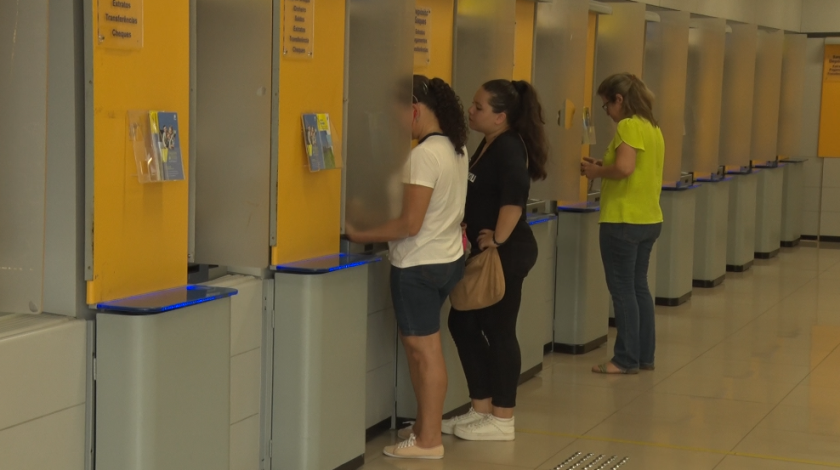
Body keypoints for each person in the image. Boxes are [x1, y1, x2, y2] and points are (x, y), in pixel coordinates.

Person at [346, 75, 469, 459]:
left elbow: (409, 224)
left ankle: (429, 440)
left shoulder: (423, 156)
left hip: (418, 263)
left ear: (415, 110)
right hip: (446, 258)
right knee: (423, 349)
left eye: (398, 113)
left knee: (423, 351)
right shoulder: (455, 148)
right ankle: (423, 426)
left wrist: (360, 233)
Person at [443, 79, 548, 441]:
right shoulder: (488, 143)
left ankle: (502, 418)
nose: (471, 111)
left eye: (479, 107)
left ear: (501, 117)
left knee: (499, 330)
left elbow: (514, 199)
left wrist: (496, 239)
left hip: (506, 253)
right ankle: (481, 408)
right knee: (464, 324)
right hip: (490, 252)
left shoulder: (507, 148)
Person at [581, 72, 665, 375]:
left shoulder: (629, 125)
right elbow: (634, 168)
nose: (608, 113)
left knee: (622, 290)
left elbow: (626, 168)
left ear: (620, 100)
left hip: (623, 219)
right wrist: (604, 166)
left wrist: (596, 174)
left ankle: (625, 359)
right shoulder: (652, 127)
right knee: (638, 287)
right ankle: (644, 355)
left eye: (607, 106)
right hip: (649, 218)